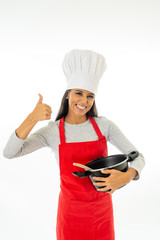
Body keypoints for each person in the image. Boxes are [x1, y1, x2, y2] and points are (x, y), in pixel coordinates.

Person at [3, 49, 145, 240]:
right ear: (68, 94)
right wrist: (31, 118)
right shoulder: (53, 132)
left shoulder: (104, 126)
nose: (84, 101)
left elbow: (138, 156)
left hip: (101, 212)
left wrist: (127, 176)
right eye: (79, 93)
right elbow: (10, 152)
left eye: (90, 96)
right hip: (70, 215)